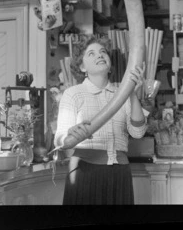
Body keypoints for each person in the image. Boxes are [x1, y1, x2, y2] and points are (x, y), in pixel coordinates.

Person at [54, 34, 147, 205]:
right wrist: (68, 134)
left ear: (110, 64)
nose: (100, 55)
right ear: (82, 67)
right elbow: (59, 139)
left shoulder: (123, 92)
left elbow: (138, 132)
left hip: (120, 172)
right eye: (91, 53)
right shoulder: (73, 94)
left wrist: (132, 93)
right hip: (84, 171)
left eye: (103, 51)